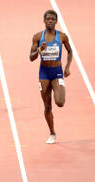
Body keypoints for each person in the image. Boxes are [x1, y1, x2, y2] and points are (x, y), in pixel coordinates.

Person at [30, 10, 72, 144]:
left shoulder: (62, 37)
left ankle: (60, 89)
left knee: (60, 102)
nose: (50, 21)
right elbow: (31, 58)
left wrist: (67, 67)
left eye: (52, 19)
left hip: (57, 72)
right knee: (47, 106)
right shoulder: (37, 37)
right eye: (48, 19)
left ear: (56, 21)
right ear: (44, 20)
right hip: (44, 73)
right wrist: (39, 50)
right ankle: (52, 132)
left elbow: (70, 51)